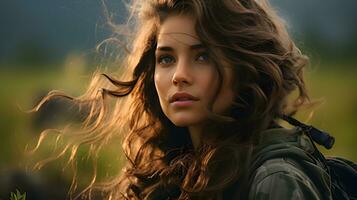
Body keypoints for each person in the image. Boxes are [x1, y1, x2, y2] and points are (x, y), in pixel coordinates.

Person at [33, 0, 332, 199]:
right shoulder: (174, 168)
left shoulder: (274, 180)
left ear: (244, 69)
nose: (179, 75)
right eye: (166, 59)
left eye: (202, 56)